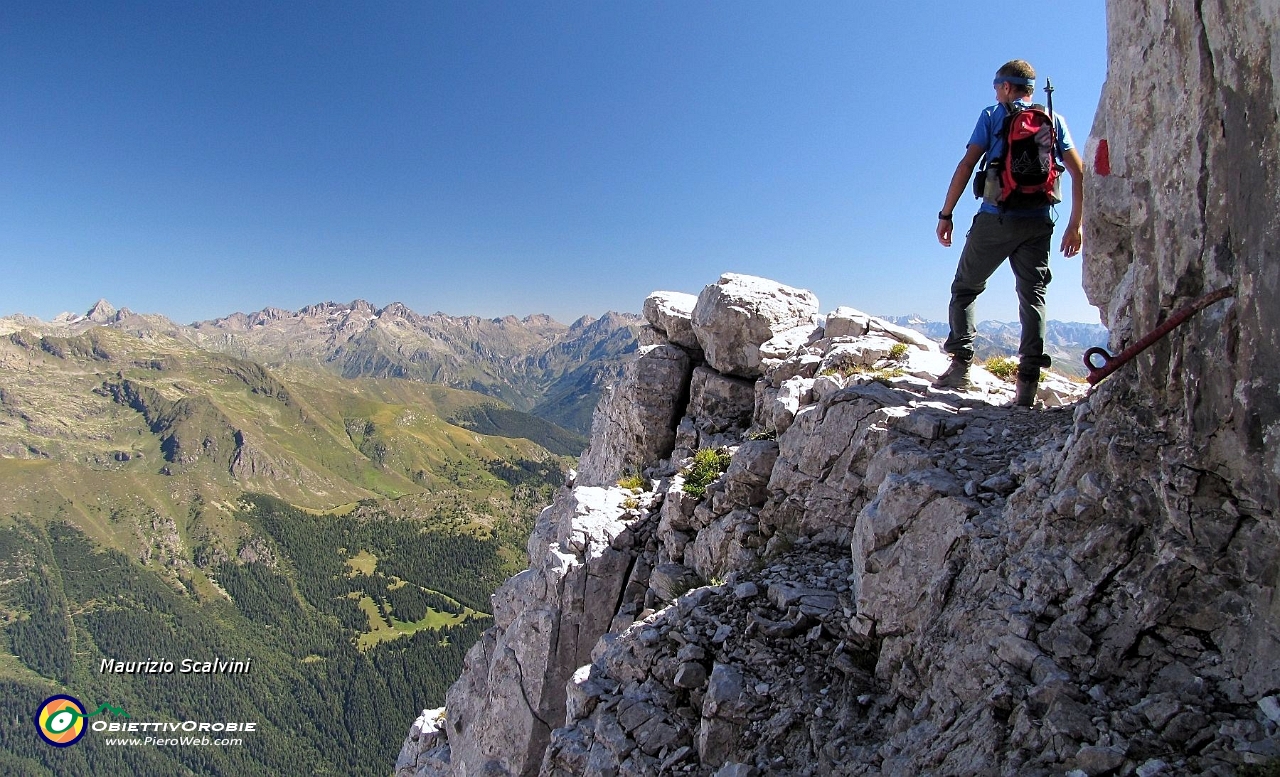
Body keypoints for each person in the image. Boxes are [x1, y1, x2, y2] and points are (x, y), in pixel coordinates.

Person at [933, 59, 1084, 407]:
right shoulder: (1053, 119)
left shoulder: (992, 116)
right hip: (1040, 221)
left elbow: (967, 164)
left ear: (1004, 86)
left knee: (966, 287)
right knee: (1032, 295)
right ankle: (1027, 385)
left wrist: (947, 213)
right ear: (1030, 89)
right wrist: (1075, 224)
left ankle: (961, 366)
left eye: (996, 85)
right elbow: (1079, 173)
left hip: (996, 218)